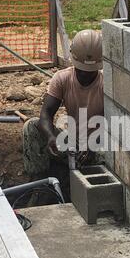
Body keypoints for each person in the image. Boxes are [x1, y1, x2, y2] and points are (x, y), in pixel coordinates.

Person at [23, 29, 104, 199]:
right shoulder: (62, 78)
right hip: (73, 143)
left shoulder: (107, 83)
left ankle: (99, 193)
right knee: (31, 126)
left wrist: (92, 144)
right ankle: (40, 184)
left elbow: (113, 123)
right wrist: (52, 137)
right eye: (81, 70)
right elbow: (46, 113)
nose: (85, 75)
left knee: (112, 152)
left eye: (90, 72)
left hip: (98, 146)